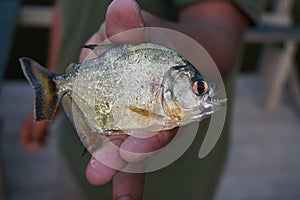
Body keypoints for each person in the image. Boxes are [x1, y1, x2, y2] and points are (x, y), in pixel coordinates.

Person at [20, 0, 265, 199]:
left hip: (173, 185)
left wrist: (161, 33)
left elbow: (219, 28)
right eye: (199, 89)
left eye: (199, 89)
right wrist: (52, 95)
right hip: (75, 151)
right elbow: (65, 8)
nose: (202, 93)